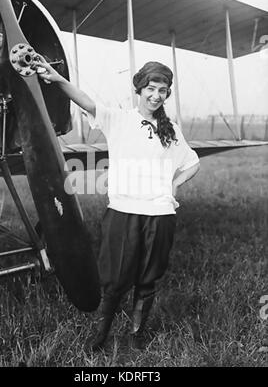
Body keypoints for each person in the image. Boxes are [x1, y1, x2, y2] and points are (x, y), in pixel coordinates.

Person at [33, 57, 200, 351]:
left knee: (148, 279)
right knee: (114, 279)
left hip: (160, 213)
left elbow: (192, 163)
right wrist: (57, 79)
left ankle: (137, 335)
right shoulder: (120, 119)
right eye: (150, 88)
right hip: (123, 211)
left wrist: (174, 185)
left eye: (162, 90)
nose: (155, 96)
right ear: (139, 89)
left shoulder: (171, 129)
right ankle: (101, 334)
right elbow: (87, 102)